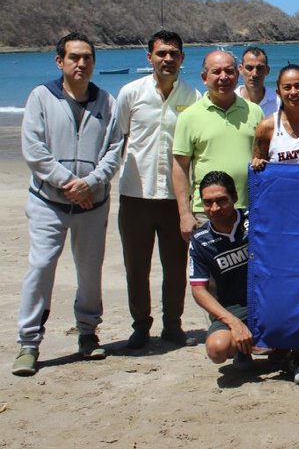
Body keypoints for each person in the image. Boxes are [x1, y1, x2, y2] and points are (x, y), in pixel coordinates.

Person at [12, 32, 123, 376]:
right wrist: (68, 183)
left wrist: (91, 183)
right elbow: (34, 150)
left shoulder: (106, 101)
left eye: (87, 57)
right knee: (41, 267)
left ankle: (88, 333)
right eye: (74, 57)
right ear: (60, 61)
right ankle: (29, 343)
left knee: (89, 271)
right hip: (48, 202)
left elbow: (115, 149)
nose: (81, 63)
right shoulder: (41, 97)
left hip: (93, 203)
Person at [115, 30, 200, 350]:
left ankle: (173, 325)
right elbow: (118, 139)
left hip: (175, 198)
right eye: (161, 53)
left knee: (175, 267)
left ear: (182, 58)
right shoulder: (130, 93)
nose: (168, 59)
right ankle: (140, 326)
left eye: (174, 53)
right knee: (136, 266)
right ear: (149, 57)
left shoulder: (192, 96)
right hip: (135, 193)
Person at [188, 171, 299, 384]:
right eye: (208, 202)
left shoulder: (257, 218)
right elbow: (198, 290)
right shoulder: (200, 240)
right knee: (217, 349)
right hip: (234, 308)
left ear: (235, 197)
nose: (215, 208)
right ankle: (243, 348)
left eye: (221, 200)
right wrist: (233, 322)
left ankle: (294, 356)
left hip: (272, 299)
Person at [172, 50, 264, 242]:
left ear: (237, 75)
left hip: (249, 209)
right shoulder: (189, 117)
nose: (224, 77)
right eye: (216, 72)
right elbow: (180, 167)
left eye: (229, 71)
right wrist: (185, 214)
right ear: (204, 78)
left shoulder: (255, 112)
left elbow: (263, 157)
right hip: (207, 211)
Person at [238, 47, 278, 116]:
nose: (254, 74)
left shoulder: (278, 102)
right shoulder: (230, 100)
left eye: (259, 68)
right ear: (241, 69)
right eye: (249, 68)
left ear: (267, 70)